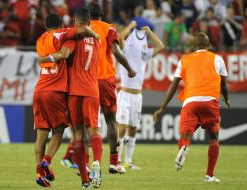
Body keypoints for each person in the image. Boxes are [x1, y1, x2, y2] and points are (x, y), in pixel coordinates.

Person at [38, 8, 103, 188]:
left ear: (75, 21)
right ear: (89, 22)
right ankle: (97, 161)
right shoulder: (97, 41)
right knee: (94, 131)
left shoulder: (73, 39)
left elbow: (64, 54)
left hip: (74, 92)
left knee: (78, 136)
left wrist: (46, 58)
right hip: (92, 89)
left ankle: (84, 179)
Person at [153, 32, 230, 183]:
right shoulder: (218, 59)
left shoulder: (184, 59)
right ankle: (209, 175)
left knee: (184, 138)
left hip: (190, 102)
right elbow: (224, 84)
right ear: (208, 46)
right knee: (214, 137)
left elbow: (173, 85)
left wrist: (162, 108)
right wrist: (226, 98)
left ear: (194, 46)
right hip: (210, 101)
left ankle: (185, 147)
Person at [88, 2, 136, 174]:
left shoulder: (81, 29)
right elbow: (115, 51)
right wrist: (129, 69)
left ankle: (88, 164)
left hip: (86, 81)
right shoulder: (109, 28)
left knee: (89, 124)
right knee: (110, 121)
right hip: (105, 80)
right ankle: (114, 163)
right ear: (101, 13)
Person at [117, 21, 164, 169]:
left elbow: (160, 46)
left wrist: (150, 32)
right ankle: (116, 161)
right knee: (122, 128)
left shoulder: (145, 52)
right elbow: (119, 38)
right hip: (124, 94)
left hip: (137, 96)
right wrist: (131, 25)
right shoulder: (126, 49)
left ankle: (128, 161)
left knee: (133, 129)